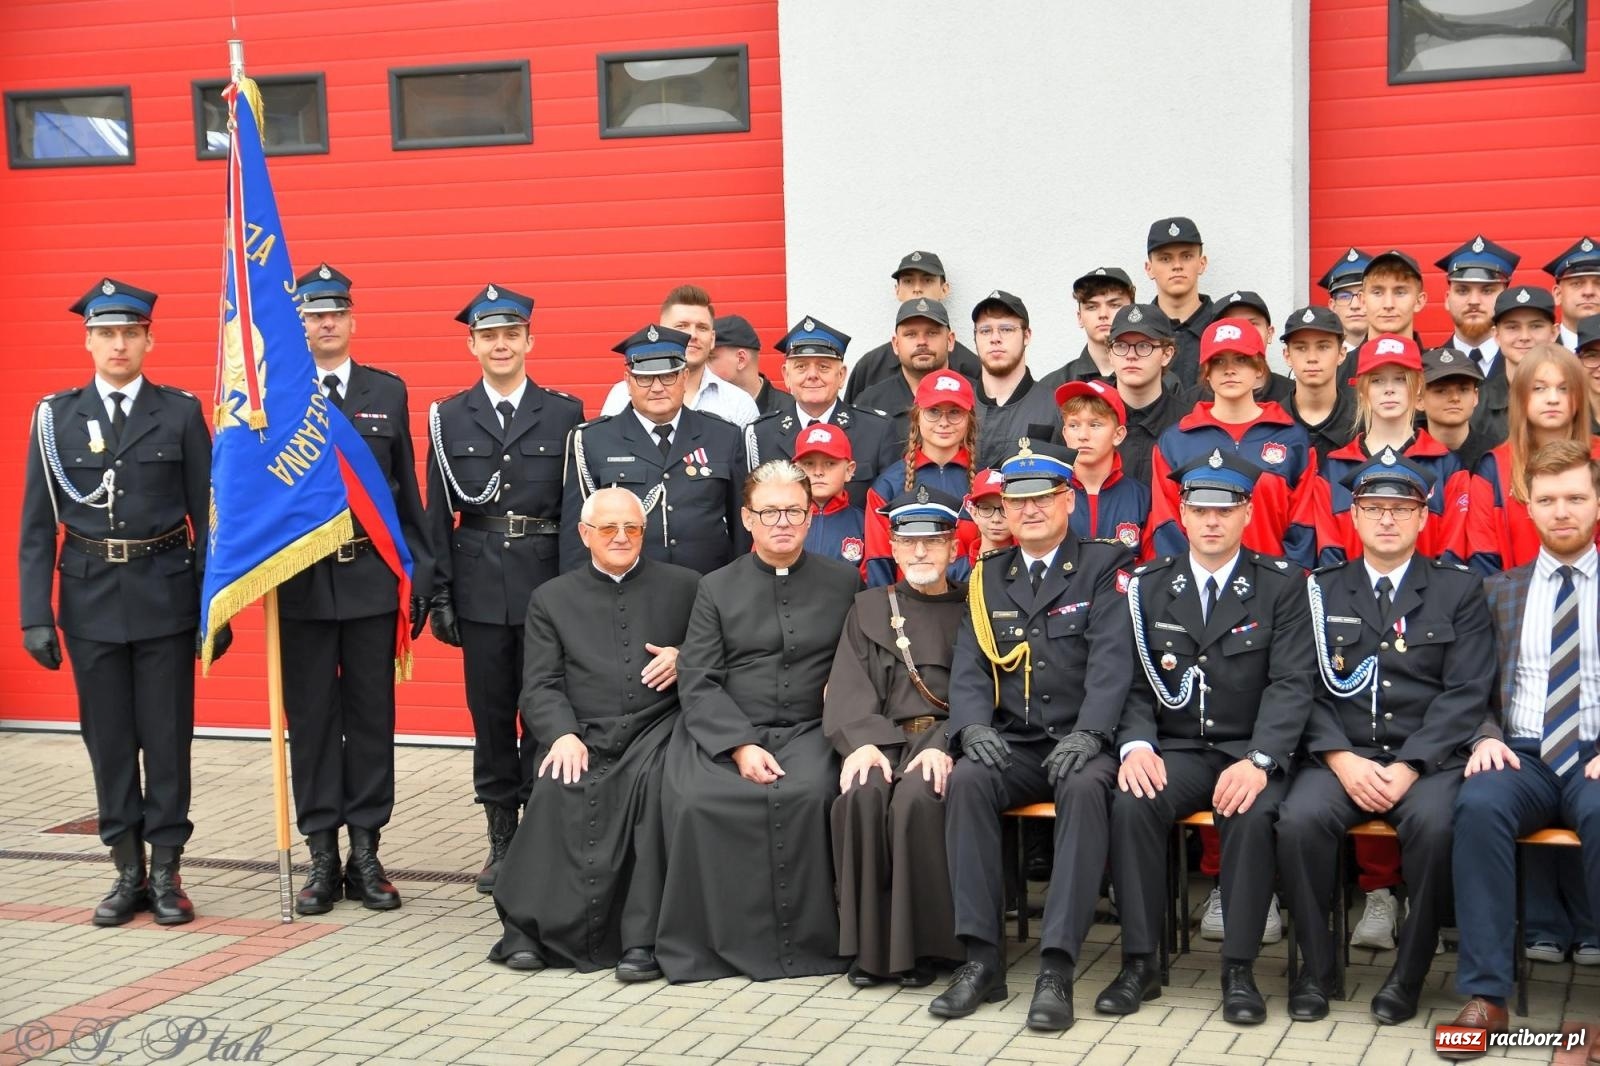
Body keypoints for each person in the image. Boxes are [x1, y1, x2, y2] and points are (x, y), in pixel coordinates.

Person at [21, 277, 221, 926]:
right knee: (108, 741)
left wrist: (212, 608)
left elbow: (207, 519)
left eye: (129, 333)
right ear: (88, 342)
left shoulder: (181, 412)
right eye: (106, 333)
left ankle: (167, 872)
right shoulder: (55, 418)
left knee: (166, 740)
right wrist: (34, 614)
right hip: (89, 600)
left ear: (148, 340)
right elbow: (34, 524)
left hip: (164, 596)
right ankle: (125, 870)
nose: (118, 344)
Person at [1277, 450, 1494, 1025]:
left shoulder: (1459, 590)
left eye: (1402, 508)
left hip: (1424, 761)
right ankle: (1316, 971)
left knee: (1438, 827)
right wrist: (1341, 759)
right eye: (1374, 507)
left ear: (1425, 516)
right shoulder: (1318, 589)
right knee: (1298, 822)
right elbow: (1301, 684)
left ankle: (1408, 976)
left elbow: (1466, 690)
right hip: (1340, 757)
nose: (1388, 519)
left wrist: (1411, 765)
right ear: (1353, 515)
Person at [1100, 449, 1313, 1024]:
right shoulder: (1146, 584)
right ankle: (1140, 961)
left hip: (1248, 749)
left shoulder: (1282, 586)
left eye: (1226, 508)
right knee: (1132, 802)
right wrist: (1137, 744)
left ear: (1247, 512)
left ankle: (1238, 969)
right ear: (1183, 515)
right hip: (1176, 749)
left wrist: (1262, 759)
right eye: (1200, 508)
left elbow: (1292, 683)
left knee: (1249, 812)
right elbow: (1133, 681)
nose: (1212, 520)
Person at [931, 442, 1135, 1032]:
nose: (1031, 510)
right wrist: (970, 727)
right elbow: (970, 663)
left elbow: (1112, 660)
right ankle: (981, 958)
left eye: (1044, 498)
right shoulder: (989, 576)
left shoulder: (1103, 566)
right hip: (1016, 742)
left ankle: (1056, 966)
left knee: (1083, 788)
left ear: (1067, 500)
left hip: (1083, 741)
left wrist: (1095, 732)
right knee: (968, 781)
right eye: (1017, 502)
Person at [655, 460, 863, 982]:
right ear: (747, 519)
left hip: (811, 729)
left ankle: (813, 944)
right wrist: (740, 746)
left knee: (813, 793)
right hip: (730, 727)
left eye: (794, 510)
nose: (782, 522)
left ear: (811, 516)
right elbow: (698, 677)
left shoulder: (843, 581)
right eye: (769, 512)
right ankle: (714, 946)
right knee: (700, 801)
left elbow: (859, 662)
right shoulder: (717, 587)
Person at [488, 488, 700, 981]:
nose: (621, 538)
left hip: (658, 730)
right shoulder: (551, 598)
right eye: (608, 529)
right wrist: (560, 734)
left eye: (632, 528)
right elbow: (539, 684)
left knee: (656, 796)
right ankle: (530, 931)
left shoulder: (687, 585)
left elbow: (718, 647)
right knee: (556, 787)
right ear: (585, 535)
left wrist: (684, 656)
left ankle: (641, 941)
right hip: (582, 731)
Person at [279, 263, 433, 914]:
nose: (324, 323)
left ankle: (366, 852)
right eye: (313, 314)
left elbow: (406, 496)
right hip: (302, 587)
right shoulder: (275, 399)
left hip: (372, 580)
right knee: (313, 720)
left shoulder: (385, 393)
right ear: (299, 324)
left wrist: (421, 572)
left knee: (372, 718)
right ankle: (320, 853)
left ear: (352, 319)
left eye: (334, 312)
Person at [425, 283, 585, 893]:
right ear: (472, 344)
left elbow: (575, 508)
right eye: (488, 336)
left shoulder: (565, 411)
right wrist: (438, 592)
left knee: (543, 713)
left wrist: (576, 593)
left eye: (510, 335)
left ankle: (541, 833)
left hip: (545, 584)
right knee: (491, 719)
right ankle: (501, 840)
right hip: (480, 586)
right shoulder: (446, 417)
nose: (500, 345)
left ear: (529, 341)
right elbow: (436, 511)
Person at [1442, 441, 1600, 1055]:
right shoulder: (1497, 591)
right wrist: (1484, 736)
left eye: (1576, 499)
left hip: (1594, 752)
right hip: (1523, 754)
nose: (1563, 511)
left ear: (1596, 503)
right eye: (1549, 500)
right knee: (1478, 805)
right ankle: (1487, 995)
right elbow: (1471, 685)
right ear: (1527, 507)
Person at [825, 487, 967, 988]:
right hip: (881, 740)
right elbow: (848, 685)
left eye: (934, 542)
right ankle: (869, 950)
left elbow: (986, 695)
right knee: (862, 794)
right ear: (893, 546)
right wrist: (862, 743)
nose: (921, 553)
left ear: (955, 547)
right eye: (908, 543)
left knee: (916, 801)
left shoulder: (976, 608)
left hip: (948, 743)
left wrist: (945, 746)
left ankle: (926, 949)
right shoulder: (867, 608)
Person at [562, 324, 749, 576]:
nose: (657, 387)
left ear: (684, 377)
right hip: (627, 592)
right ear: (628, 381)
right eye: (645, 378)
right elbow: (577, 535)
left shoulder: (723, 436)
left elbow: (742, 526)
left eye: (668, 375)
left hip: (708, 590)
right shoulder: (592, 440)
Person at [1149, 317, 1325, 570]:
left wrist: (1289, 584)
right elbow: (1167, 525)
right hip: (1197, 592)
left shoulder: (1291, 438)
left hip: (1274, 590)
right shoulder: (1176, 441)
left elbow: (1304, 526)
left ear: (1259, 369)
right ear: (1206, 372)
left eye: (1241, 360)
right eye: (1219, 361)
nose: (1229, 370)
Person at [1317, 333, 1491, 574]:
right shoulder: (1334, 468)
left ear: (1418, 389)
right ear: (1362, 391)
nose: (1389, 389)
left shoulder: (1448, 466)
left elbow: (1452, 555)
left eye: (1400, 379)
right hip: (1350, 604)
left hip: (1431, 606)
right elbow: (1329, 558)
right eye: (1377, 381)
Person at [749, 315, 897, 507]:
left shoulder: (877, 431)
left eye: (823, 367)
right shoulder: (760, 435)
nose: (812, 375)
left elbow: (888, 509)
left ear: (842, 375)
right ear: (786, 375)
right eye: (801, 367)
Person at [1479, 345, 1600, 569]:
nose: (1552, 399)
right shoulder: (1494, 466)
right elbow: (1483, 557)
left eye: (1564, 389)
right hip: (1515, 598)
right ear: (1520, 395)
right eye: (1539, 389)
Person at [862, 369, 979, 587]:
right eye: (933, 411)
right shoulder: (888, 485)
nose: (944, 422)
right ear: (916, 416)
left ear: (969, 420)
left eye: (955, 412)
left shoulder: (984, 481)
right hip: (909, 610)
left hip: (975, 608)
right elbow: (879, 563)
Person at [598, 286, 761, 427]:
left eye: (702, 328)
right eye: (681, 326)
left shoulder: (739, 404)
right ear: (661, 333)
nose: (692, 335)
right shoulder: (622, 395)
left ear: (712, 340)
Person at [843, 250, 982, 404]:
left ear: (944, 289)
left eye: (927, 280)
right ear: (897, 290)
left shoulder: (971, 365)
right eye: (908, 281)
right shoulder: (870, 366)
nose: (917, 289)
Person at [854, 298, 974, 447]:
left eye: (932, 333)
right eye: (911, 334)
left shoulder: (976, 398)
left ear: (950, 341)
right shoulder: (869, 403)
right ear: (896, 344)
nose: (922, 341)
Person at [970, 290, 1064, 467]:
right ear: (975, 337)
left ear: (1026, 336)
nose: (995, 338)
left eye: (1006, 329)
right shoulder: (957, 407)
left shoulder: (1055, 407)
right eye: (985, 330)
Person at [1056, 380, 1149, 554]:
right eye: (1074, 425)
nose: (1083, 436)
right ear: (1065, 434)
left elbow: (1152, 569)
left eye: (1095, 425)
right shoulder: (1049, 494)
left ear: (1118, 434)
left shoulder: (1141, 498)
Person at [1106, 303, 1189, 489]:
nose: (1131, 355)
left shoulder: (1187, 425)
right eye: (1121, 346)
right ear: (1110, 355)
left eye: (1144, 346)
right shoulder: (1089, 420)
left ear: (1167, 354)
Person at [1474, 286, 1561, 448]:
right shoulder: (1477, 404)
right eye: (1512, 327)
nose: (1524, 337)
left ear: (1554, 333)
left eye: (1536, 326)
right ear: (1496, 335)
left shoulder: (1574, 397)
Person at [1038, 267, 1137, 392]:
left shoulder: (1160, 382)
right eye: (1091, 307)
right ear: (1079, 317)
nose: (1103, 314)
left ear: (1132, 312)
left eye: (1114, 305)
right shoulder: (1052, 387)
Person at [1144, 216, 1213, 388]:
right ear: (1149, 268)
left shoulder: (1223, 327)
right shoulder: (1137, 332)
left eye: (1187, 256)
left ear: (1202, 263)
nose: (1177, 266)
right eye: (1165, 259)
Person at [1436, 235, 1517, 382]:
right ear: (1447, 299)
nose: (1474, 301)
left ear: (1505, 299)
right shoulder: (1426, 368)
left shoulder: (1528, 367)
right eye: (1462, 290)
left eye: (1487, 291)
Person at [1281, 305, 1357, 459]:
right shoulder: (1271, 424)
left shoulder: (1362, 426)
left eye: (1323, 347)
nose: (1312, 358)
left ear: (1342, 354)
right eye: (1301, 348)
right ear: (1287, 356)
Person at [793, 422, 865, 574]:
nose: (818, 472)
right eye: (809, 463)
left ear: (849, 470)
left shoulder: (864, 524)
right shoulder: (780, 520)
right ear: (797, 471)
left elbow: (869, 584)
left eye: (830, 463)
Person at [1419, 347, 1493, 479]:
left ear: (1476, 396)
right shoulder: (1407, 456)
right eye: (1441, 390)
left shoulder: (1494, 455)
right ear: (1418, 399)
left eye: (1463, 389)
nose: (1455, 398)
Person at [707, 314, 788, 416]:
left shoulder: (791, 410)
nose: (704, 368)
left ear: (741, 359)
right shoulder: (703, 407)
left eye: (710, 358)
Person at [1545, 235, 1600, 352]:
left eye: (1599, 283)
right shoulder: (1534, 353)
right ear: (1558, 294)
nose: (1588, 292)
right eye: (1577, 284)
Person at [1316, 246, 1371, 362]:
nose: (1355, 305)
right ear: (1332, 306)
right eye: (1345, 297)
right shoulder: (1318, 363)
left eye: (1363, 294)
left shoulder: (1398, 355)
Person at [963, 467, 1012, 565]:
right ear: (974, 513)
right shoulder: (957, 571)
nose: (996, 519)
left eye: (1005, 509)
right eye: (986, 509)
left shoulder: (1031, 565)